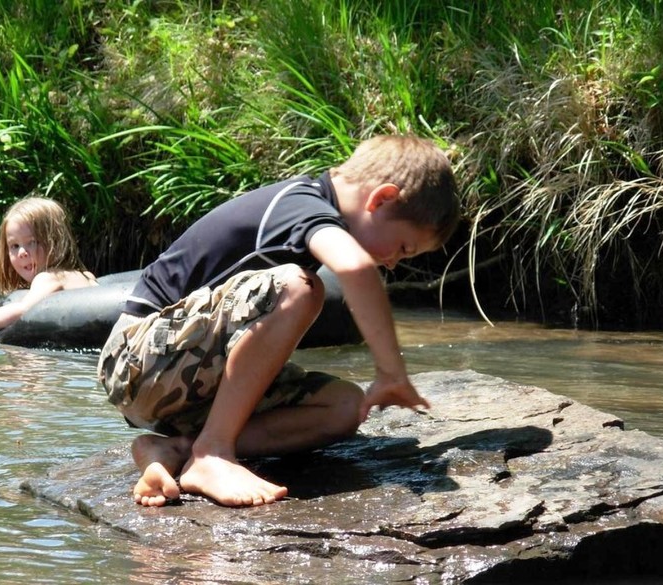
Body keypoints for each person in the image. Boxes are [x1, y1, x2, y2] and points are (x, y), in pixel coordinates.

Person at [97, 135, 461, 508]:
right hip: (137, 360)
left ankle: (175, 449)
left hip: (181, 378)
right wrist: (391, 372)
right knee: (301, 288)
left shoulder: (311, 209)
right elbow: (354, 267)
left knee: (347, 407)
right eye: (403, 248)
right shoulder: (301, 204)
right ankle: (212, 453)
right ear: (381, 199)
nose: (393, 263)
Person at [0, 196, 98, 342]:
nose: (22, 252)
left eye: (32, 242)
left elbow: (26, 311)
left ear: (56, 242)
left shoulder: (47, 278)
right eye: (15, 246)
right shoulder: (86, 275)